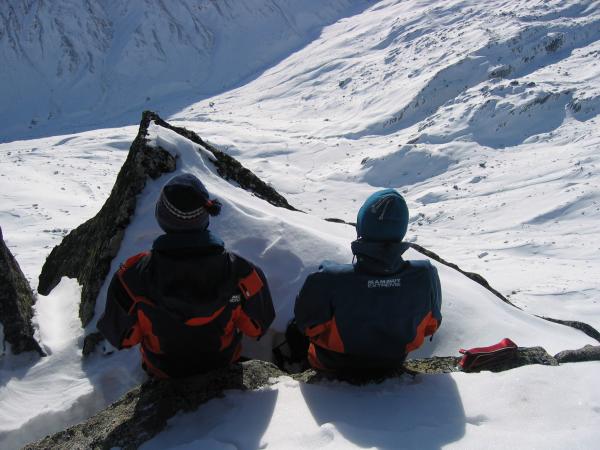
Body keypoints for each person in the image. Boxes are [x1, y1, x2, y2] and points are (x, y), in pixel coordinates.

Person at [98, 173, 275, 378]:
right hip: (223, 368)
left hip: (162, 373)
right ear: (205, 216)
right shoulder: (243, 272)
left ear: (162, 217)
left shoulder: (132, 275)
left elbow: (123, 337)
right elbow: (257, 327)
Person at [291, 188, 441, 373]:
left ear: (362, 226)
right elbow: (432, 324)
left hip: (331, 365)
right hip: (393, 362)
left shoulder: (328, 278)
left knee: (293, 333)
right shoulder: (425, 275)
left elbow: (307, 325)